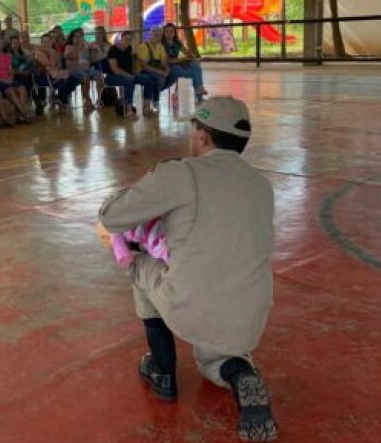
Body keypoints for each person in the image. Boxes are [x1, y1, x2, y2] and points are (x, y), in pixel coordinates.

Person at [96, 96, 278, 443]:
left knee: (137, 260)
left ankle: (162, 369)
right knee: (217, 355)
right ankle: (239, 373)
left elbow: (112, 217)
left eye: (194, 128)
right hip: (251, 313)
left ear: (203, 136)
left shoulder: (181, 173)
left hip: (191, 303)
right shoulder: (261, 185)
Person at [104, 31, 157, 117]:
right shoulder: (113, 50)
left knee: (148, 80)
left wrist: (135, 72)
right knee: (129, 82)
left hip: (128, 74)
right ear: (121, 38)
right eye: (126, 39)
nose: (128, 41)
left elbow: (131, 66)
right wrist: (129, 76)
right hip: (113, 76)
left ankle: (146, 107)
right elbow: (115, 69)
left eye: (130, 40)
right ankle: (129, 110)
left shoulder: (129, 49)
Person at [0, 39, 30, 123]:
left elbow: (11, 71)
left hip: (8, 80)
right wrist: (2, 80)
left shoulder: (6, 56)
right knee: (10, 90)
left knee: (22, 88)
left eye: (1, 43)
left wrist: (10, 78)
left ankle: (20, 115)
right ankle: (24, 113)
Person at [161, 23, 208, 99]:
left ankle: (199, 90)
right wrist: (180, 60)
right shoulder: (162, 44)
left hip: (178, 64)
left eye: (171, 32)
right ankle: (199, 90)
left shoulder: (177, 42)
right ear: (164, 33)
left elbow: (186, 51)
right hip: (170, 67)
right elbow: (167, 61)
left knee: (194, 64)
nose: (169, 34)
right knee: (194, 72)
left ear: (174, 33)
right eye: (167, 31)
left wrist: (193, 58)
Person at [64, 28, 102, 110]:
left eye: (81, 36)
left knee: (99, 75)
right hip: (74, 69)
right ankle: (87, 100)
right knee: (86, 77)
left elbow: (91, 60)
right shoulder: (69, 47)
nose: (79, 38)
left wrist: (93, 52)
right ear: (72, 37)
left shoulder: (85, 47)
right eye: (77, 36)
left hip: (86, 68)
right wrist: (79, 48)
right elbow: (68, 57)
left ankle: (99, 98)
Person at [136, 27, 170, 112]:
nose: (157, 37)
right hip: (143, 71)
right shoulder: (144, 46)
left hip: (155, 70)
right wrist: (161, 72)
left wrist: (167, 70)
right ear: (150, 35)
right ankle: (154, 101)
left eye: (159, 35)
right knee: (156, 79)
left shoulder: (160, 46)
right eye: (155, 35)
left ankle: (154, 97)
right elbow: (145, 66)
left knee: (171, 75)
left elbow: (164, 61)